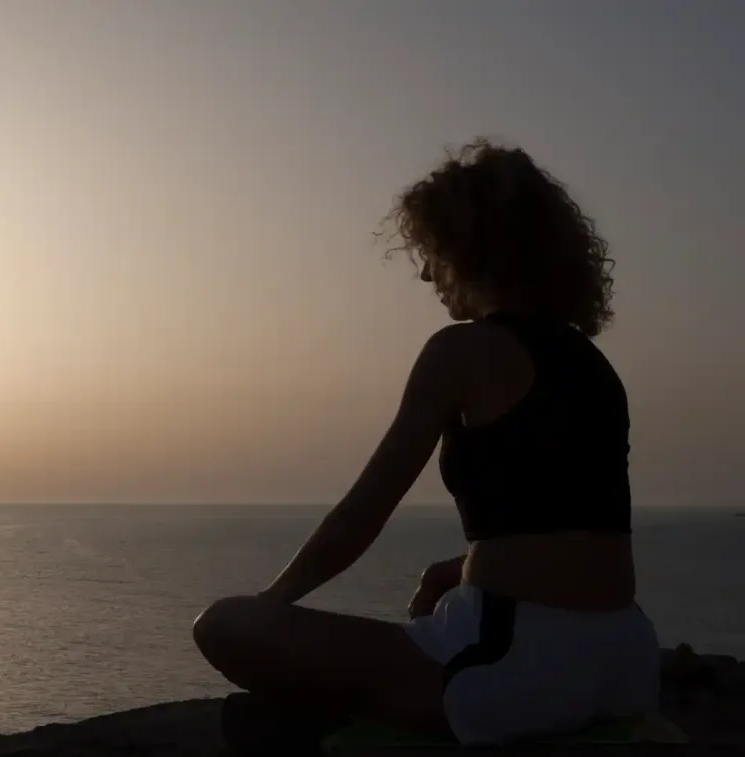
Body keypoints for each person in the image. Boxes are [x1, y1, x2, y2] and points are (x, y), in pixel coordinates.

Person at [192, 139, 658, 751]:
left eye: (431, 253)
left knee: (222, 625)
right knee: (445, 591)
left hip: (520, 667)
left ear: (471, 250)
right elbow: (568, 523)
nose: (424, 272)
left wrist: (273, 602)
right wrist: (461, 572)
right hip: (627, 658)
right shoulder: (592, 363)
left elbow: (364, 512)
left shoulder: (460, 351)